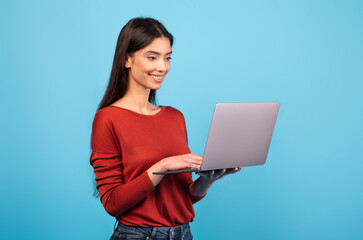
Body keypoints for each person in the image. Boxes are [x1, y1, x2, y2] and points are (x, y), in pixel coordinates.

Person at [89, 17, 241, 240]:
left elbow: (184, 195)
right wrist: (162, 166)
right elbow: (112, 203)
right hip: (137, 235)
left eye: (167, 58)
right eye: (152, 57)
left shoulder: (174, 117)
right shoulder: (108, 119)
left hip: (182, 234)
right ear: (127, 60)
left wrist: (207, 180)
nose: (162, 67)